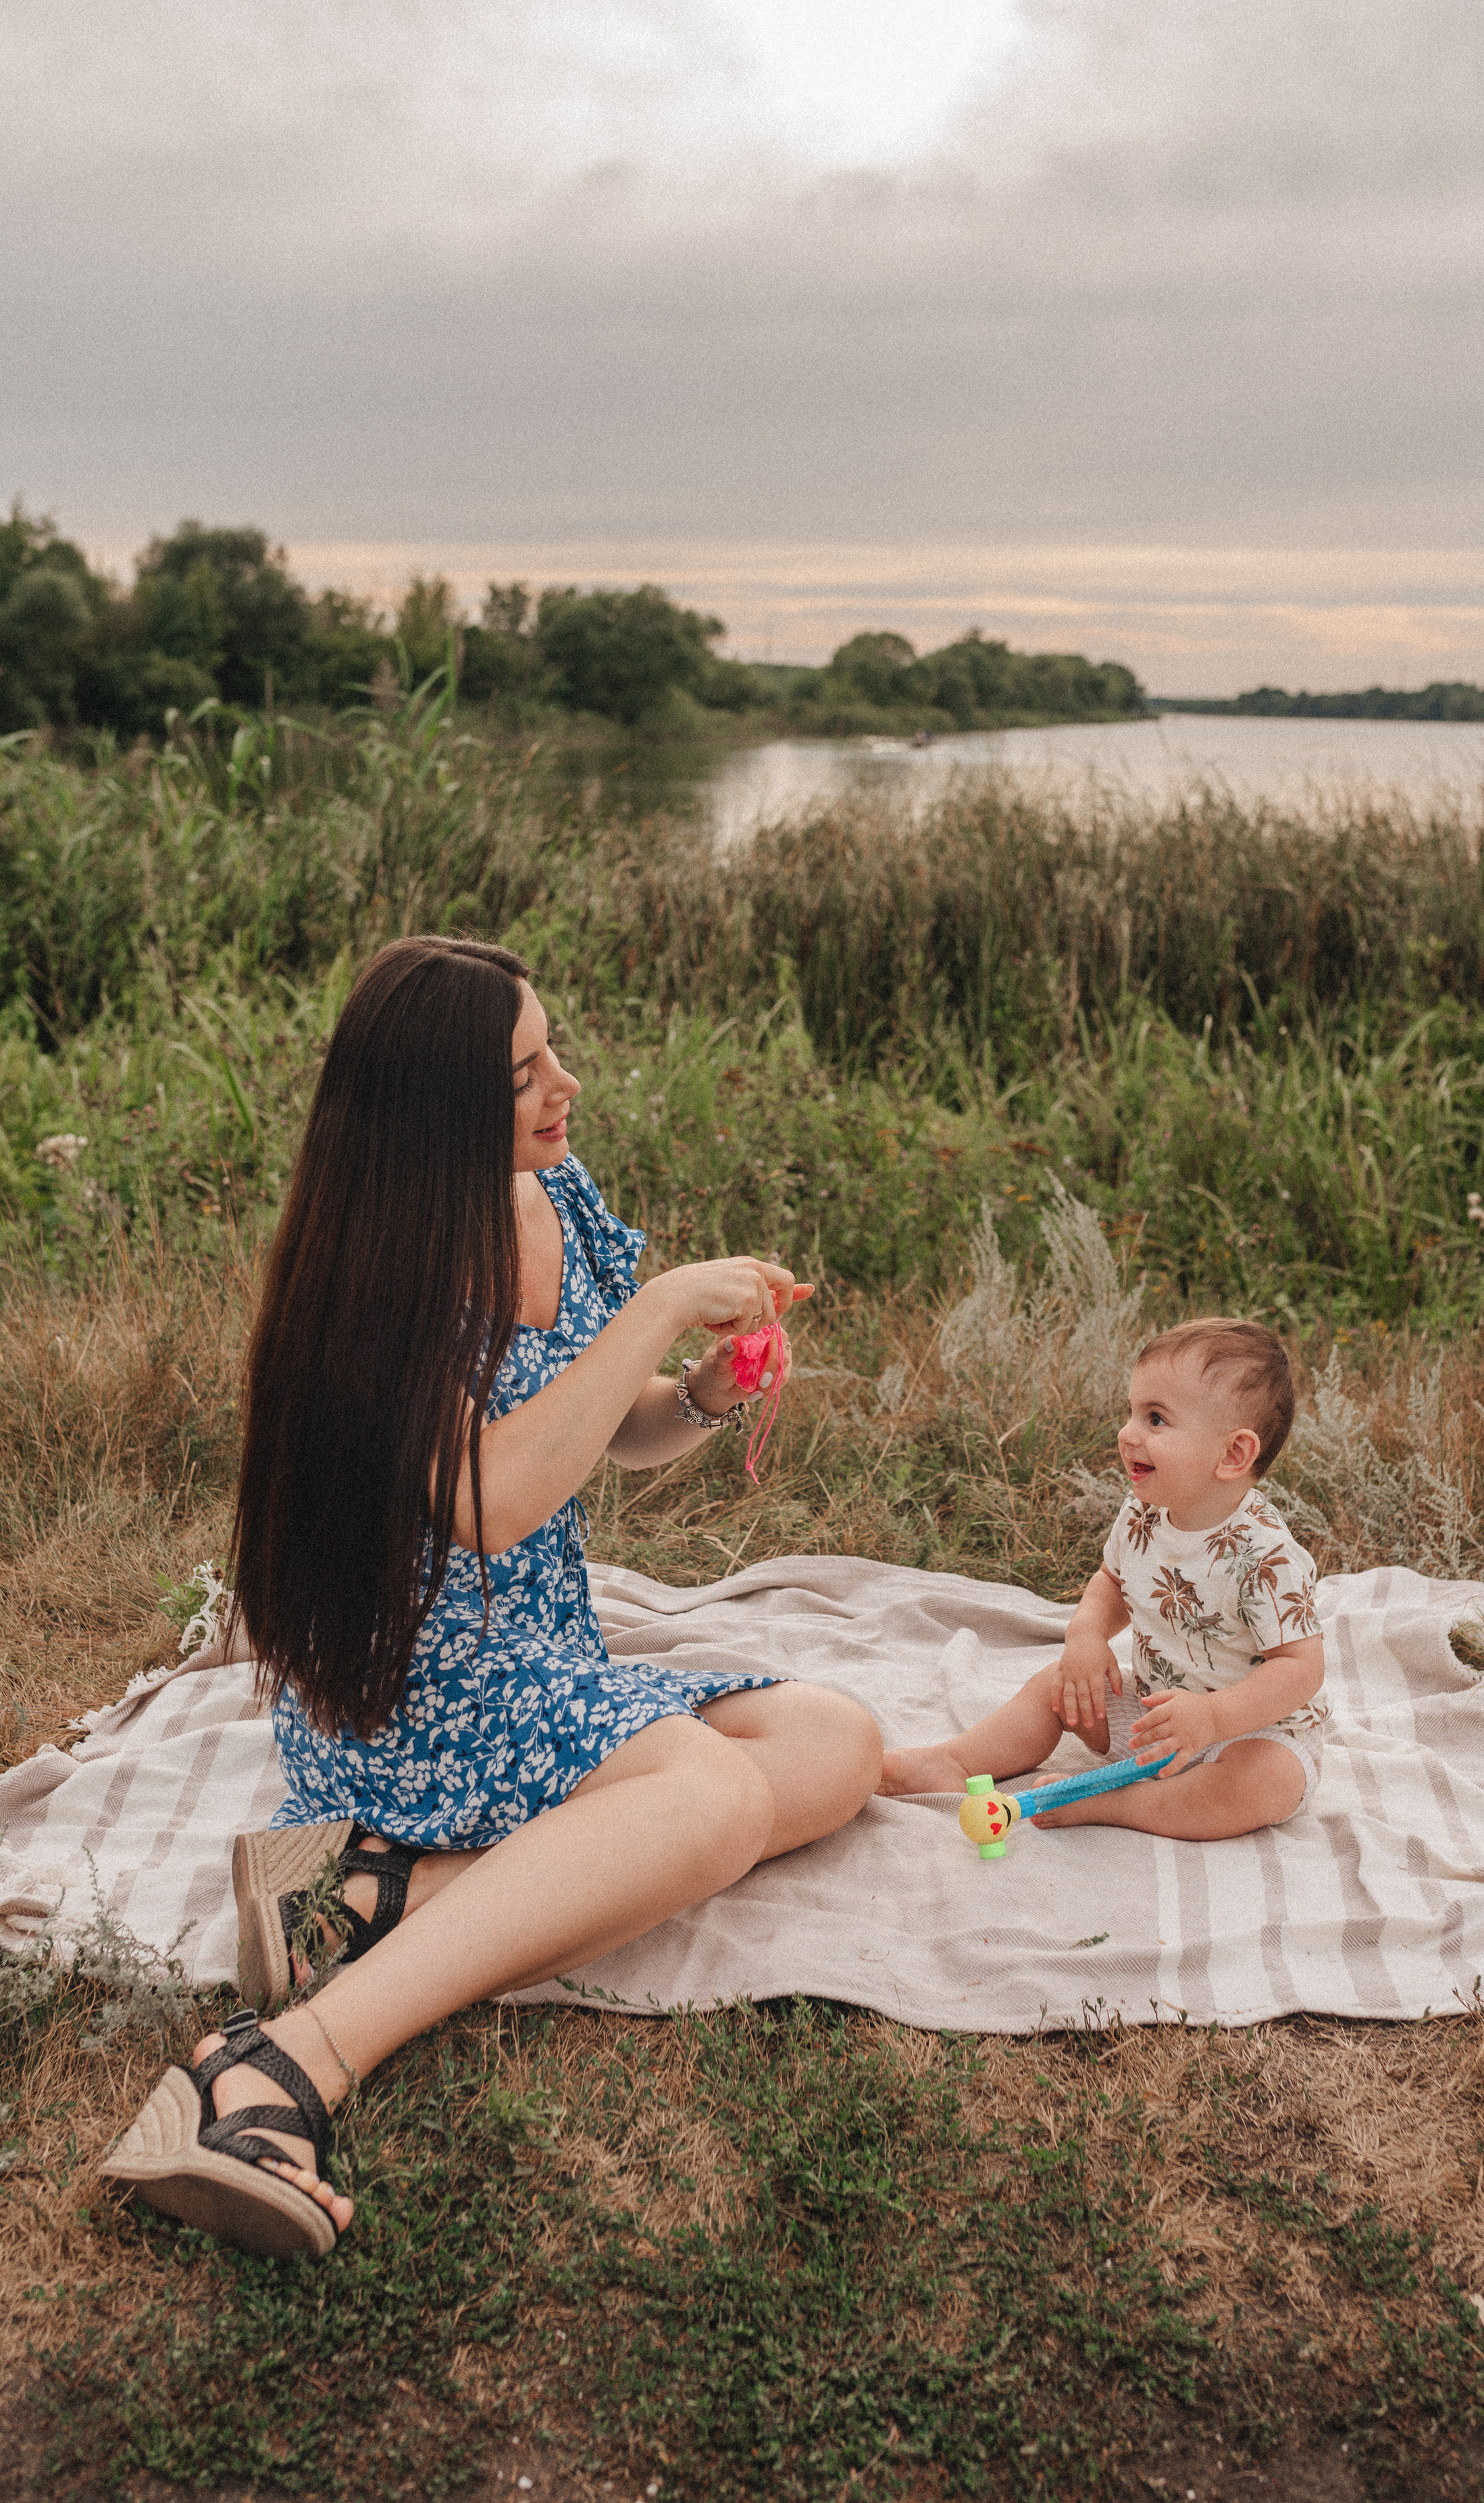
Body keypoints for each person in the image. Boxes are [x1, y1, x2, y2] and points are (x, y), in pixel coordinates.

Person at [103, 936, 883, 2259]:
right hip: (411, 1690)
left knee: (835, 1745)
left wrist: (699, 1396)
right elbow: (493, 1501)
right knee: (712, 1798)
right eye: (523, 1073)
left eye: (549, 1050)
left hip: (533, 1652)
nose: (563, 1084)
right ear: (434, 1107)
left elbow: (604, 1426)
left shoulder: (551, 1188)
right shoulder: (392, 1270)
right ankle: (277, 2069)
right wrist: (664, 1304)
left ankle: (360, 1897)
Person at [879, 1319, 1325, 1838]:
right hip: (1155, 1712)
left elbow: (1301, 1667)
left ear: (1232, 1455)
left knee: (1265, 1783)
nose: (1127, 1433)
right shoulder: (1143, 1515)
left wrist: (1213, 1717)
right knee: (1059, 1685)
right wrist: (1087, 1636)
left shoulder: (1265, 1556)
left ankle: (1110, 1802)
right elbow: (1112, 1582)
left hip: (1251, 1733)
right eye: (1131, 1412)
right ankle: (953, 1760)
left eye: (1155, 1418)